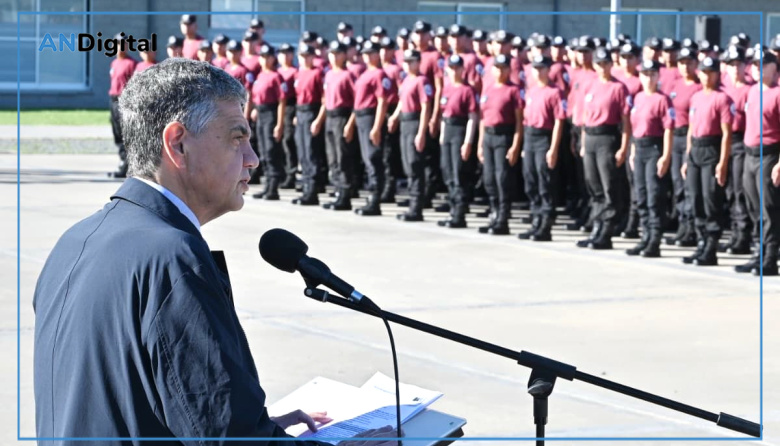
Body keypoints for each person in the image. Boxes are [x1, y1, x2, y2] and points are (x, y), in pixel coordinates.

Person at [33, 58, 400, 446]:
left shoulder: (74, 240)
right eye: (237, 137)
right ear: (178, 144)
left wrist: (260, 425)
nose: (253, 158)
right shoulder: (172, 257)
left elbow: (129, 403)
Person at [576, 47, 631, 250]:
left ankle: (606, 231)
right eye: (599, 64)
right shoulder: (590, 85)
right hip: (590, 137)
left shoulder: (618, 88)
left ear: (611, 64)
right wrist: (583, 143)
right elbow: (584, 118)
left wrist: (623, 147)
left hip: (607, 137)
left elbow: (626, 122)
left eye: (606, 63)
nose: (602, 67)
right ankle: (596, 227)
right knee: (593, 184)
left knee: (609, 186)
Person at [681, 56, 733, 266]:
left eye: (710, 72)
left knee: (711, 198)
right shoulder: (696, 97)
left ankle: (711, 247)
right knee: (695, 199)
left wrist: (722, 162)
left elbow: (727, 134)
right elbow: (691, 130)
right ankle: (701, 242)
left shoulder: (722, 99)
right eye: (703, 72)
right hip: (696, 150)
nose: (706, 76)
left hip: (712, 149)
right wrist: (687, 157)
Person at [736, 49, 780, 276]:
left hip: (770, 155)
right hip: (750, 155)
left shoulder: (777, 93)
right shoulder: (752, 92)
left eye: (763, 63)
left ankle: (770, 258)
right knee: (754, 207)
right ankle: (758, 253)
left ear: (774, 66)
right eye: (754, 64)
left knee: (769, 209)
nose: (757, 68)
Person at [625, 59, 674, 257]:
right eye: (644, 74)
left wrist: (665, 156)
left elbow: (669, 129)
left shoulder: (662, 99)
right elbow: (634, 127)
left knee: (654, 196)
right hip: (640, 148)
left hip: (655, 147)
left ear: (657, 76)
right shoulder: (637, 97)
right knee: (641, 195)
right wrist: (634, 150)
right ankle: (644, 236)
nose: (648, 78)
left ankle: (654, 239)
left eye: (652, 74)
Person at [517, 55, 565, 242]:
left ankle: (545, 224)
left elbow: (559, 122)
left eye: (541, 68)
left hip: (544, 137)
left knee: (544, 181)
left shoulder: (555, 92)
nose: (538, 72)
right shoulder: (531, 90)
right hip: (530, 136)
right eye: (535, 69)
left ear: (548, 70)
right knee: (530, 180)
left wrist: (553, 148)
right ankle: (535, 220)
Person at [477, 54, 524, 235]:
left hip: (504, 135)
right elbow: (483, 118)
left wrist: (515, 145)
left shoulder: (513, 90)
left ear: (509, 70)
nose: (499, 71)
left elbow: (519, 121)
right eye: (496, 68)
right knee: (488, 179)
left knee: (502, 178)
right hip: (488, 135)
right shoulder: (488, 88)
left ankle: (503, 219)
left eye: (503, 68)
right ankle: (494, 213)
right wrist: (480, 143)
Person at [388, 49, 433, 222]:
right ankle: (412, 204)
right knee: (407, 165)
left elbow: (425, 107)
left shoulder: (422, 81)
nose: (407, 65)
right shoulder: (406, 80)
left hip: (414, 122)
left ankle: (416, 207)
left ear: (418, 62)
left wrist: (421, 132)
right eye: (405, 62)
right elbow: (401, 101)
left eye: (411, 61)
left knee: (415, 165)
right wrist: (395, 116)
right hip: (405, 121)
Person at [436, 54, 479, 228]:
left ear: (463, 69)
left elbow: (472, 117)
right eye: (451, 68)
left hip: (460, 130)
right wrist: (441, 136)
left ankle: (460, 213)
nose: (454, 72)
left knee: (458, 172)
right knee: (447, 172)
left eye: (457, 68)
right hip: (448, 130)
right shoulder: (447, 88)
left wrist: (468, 141)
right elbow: (444, 114)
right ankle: (452, 209)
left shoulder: (468, 90)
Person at [666, 47, 702, 247]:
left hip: (691, 136)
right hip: (675, 136)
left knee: (689, 185)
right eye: (682, 62)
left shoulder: (698, 86)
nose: (685, 66)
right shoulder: (675, 84)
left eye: (689, 62)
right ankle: (682, 223)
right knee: (677, 183)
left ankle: (691, 226)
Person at [352, 40, 393, 216]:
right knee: (367, 159)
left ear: (378, 54)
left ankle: (375, 199)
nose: (367, 57)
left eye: (371, 53)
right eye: (365, 53)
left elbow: (383, 102)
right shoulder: (365, 73)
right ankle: (371, 197)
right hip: (361, 116)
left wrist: (376, 127)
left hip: (370, 116)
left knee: (373, 159)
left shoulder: (379, 74)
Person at [721, 45, 753, 255]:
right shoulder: (723, 87)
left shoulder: (750, 89)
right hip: (725, 140)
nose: (735, 69)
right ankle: (734, 232)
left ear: (744, 66)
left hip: (742, 140)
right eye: (731, 65)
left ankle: (743, 235)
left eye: (738, 64)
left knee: (740, 190)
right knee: (729, 189)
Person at [245, 44, 289, 201]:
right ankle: (268, 186)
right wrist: (255, 109)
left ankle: (274, 187)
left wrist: (279, 124)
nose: (264, 60)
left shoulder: (277, 76)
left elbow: (282, 102)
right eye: (262, 57)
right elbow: (255, 97)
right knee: (263, 151)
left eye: (267, 57)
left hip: (271, 114)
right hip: (261, 114)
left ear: (273, 58)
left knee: (271, 151)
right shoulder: (260, 75)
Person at [322, 41, 358, 211]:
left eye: (338, 53)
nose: (334, 57)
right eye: (331, 53)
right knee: (332, 157)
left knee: (343, 157)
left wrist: (350, 124)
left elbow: (357, 102)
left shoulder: (348, 75)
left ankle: (345, 194)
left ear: (344, 55)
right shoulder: (328, 74)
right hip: (330, 116)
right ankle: (337, 190)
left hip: (342, 116)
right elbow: (325, 99)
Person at [292, 43, 326, 206]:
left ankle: (312, 191)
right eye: (302, 56)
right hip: (301, 111)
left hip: (312, 111)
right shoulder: (299, 73)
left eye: (307, 56)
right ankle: (305, 187)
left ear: (313, 57)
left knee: (311, 152)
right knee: (302, 151)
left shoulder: (317, 73)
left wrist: (318, 119)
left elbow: (324, 99)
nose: (304, 59)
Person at [617, 42, 643, 239]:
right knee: (617, 181)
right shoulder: (615, 77)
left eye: (630, 58)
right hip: (614, 130)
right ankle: (619, 217)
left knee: (633, 179)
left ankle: (633, 223)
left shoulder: (640, 81)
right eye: (623, 57)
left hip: (634, 130)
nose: (626, 61)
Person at [107, 34, 137, 179]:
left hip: (123, 100)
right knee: (117, 132)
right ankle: (123, 161)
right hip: (113, 99)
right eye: (118, 43)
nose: (120, 46)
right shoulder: (114, 63)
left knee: (125, 132)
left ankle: (126, 165)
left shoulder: (131, 63)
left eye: (123, 44)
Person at [380, 36, 404, 203]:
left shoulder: (396, 70)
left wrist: (395, 115)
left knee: (389, 153)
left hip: (391, 109)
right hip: (378, 111)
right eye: (382, 49)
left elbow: (403, 93)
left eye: (388, 49)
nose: (384, 52)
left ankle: (389, 187)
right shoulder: (376, 69)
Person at [278, 43, 300, 190]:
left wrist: (296, 113)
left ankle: (291, 174)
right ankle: (283, 172)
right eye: (282, 53)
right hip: (278, 107)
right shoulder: (278, 71)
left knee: (288, 140)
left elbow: (299, 94)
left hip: (291, 106)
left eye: (288, 53)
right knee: (279, 141)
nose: (285, 56)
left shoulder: (295, 72)